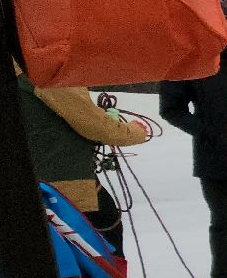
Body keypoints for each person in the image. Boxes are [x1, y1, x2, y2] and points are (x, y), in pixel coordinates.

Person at [159, 0, 227, 278]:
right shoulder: (188, 62)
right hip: (215, 155)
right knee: (220, 221)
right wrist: (209, 131)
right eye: (216, 17)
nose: (224, 22)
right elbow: (172, 109)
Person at [16, 68, 151, 252]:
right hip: (65, 186)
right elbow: (91, 124)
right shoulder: (43, 72)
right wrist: (134, 131)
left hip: (36, 183)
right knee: (105, 239)